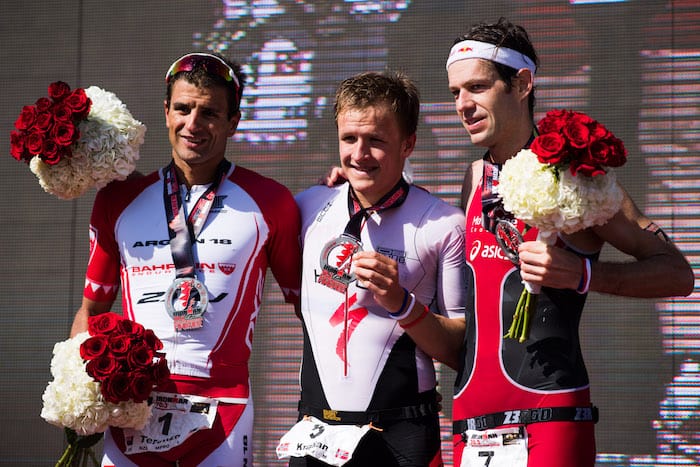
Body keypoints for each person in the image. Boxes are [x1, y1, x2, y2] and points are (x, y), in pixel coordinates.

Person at [387, 17, 694, 467]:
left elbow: (676, 273)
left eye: (477, 88)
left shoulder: (575, 172)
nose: (462, 105)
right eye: (455, 93)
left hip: (549, 419)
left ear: (522, 83)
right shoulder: (473, 177)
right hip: (471, 421)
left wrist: (583, 273)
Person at [69, 52, 302, 467]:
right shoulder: (117, 199)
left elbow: (309, 306)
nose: (193, 124)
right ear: (166, 111)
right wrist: (75, 397)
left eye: (209, 112)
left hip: (223, 414)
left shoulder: (270, 201)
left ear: (233, 121)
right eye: (183, 108)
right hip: (132, 408)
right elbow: (92, 309)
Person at [279, 71, 467, 467]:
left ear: (408, 144)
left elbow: (458, 350)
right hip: (315, 432)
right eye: (349, 139)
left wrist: (402, 303)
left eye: (376, 141)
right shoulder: (305, 207)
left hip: (403, 435)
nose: (359, 154)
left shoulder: (445, 224)